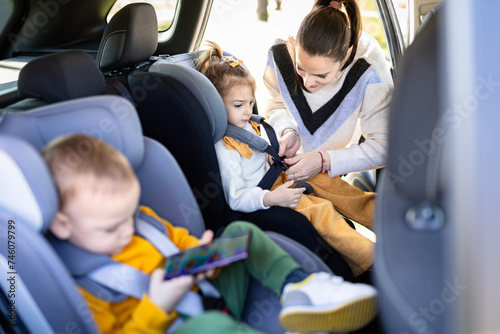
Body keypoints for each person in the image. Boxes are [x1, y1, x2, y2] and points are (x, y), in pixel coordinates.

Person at [42, 133, 378, 334]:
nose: (127, 231)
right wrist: (157, 307)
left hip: (202, 288)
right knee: (211, 328)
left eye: (129, 216)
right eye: (110, 228)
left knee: (240, 231)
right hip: (172, 324)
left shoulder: (138, 221)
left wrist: (200, 253)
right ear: (62, 224)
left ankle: (300, 287)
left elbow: (176, 240)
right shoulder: (85, 287)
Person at [196, 41, 377, 277]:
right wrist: (272, 198)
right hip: (268, 193)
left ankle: (382, 217)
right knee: (321, 210)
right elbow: (236, 197)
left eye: (251, 102)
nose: (248, 111)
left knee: (330, 181)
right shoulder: (225, 148)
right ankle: (368, 257)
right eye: (239, 105)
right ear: (216, 106)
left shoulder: (247, 124)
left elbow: (257, 155)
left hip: (279, 175)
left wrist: (272, 156)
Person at [263, 0, 393, 182]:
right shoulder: (281, 55)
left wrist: (324, 161)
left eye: (321, 75)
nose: (307, 82)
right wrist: (287, 130)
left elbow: (385, 145)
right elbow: (276, 104)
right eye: (300, 69)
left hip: (342, 171)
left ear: (345, 57)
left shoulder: (369, 69)